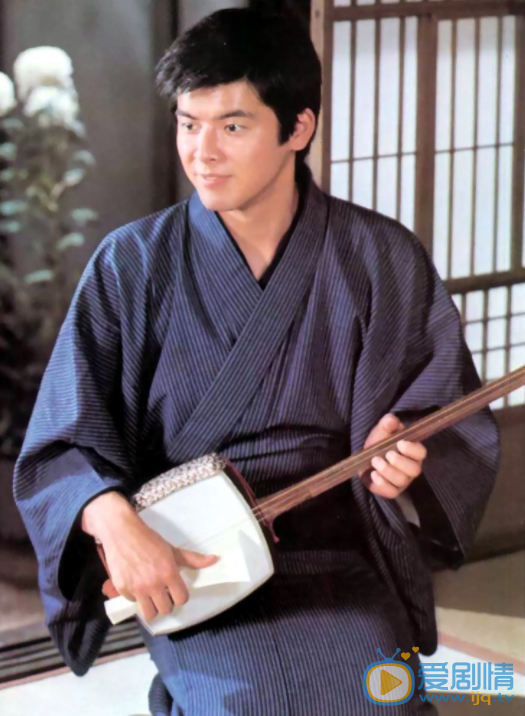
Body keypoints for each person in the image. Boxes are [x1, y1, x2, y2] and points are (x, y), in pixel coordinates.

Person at [14, 8, 499, 715]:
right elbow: (62, 440)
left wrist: (405, 466)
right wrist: (113, 520)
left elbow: (441, 413)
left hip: (340, 558)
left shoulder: (379, 257)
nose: (202, 152)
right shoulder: (131, 263)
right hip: (198, 559)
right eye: (188, 124)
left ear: (297, 128)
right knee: (244, 703)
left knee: (379, 699)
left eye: (232, 127)